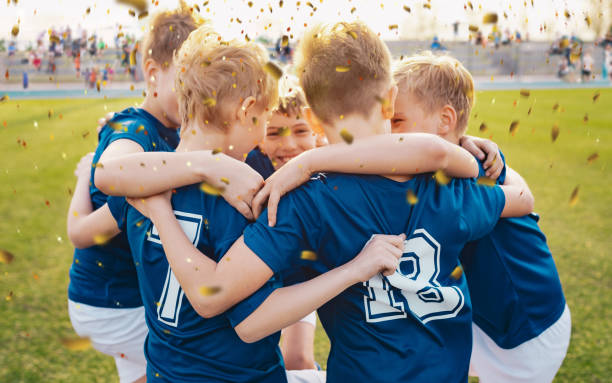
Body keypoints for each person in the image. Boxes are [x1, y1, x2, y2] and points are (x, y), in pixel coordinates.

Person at [139, 21, 534, 382]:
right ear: (390, 100)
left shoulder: (300, 203)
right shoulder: (447, 185)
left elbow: (245, 320)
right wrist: (482, 155)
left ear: (310, 120)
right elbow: (519, 197)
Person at [391, 52, 570, 383]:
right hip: (488, 317)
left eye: (396, 121)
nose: (386, 134)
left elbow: (523, 199)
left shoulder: (472, 175)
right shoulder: (465, 159)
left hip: (525, 330)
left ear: (445, 120)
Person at [65, 7, 206, 383]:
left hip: (118, 297)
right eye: (187, 83)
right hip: (112, 302)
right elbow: (82, 232)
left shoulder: (165, 127)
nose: (198, 97)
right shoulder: (133, 132)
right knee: (188, 359)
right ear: (152, 73)